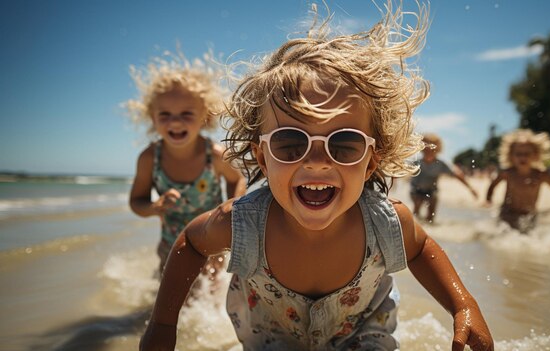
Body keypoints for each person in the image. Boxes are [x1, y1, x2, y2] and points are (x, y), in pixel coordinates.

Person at [139, 2, 493, 350]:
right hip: (269, 341)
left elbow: (420, 251)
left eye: (345, 144)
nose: (318, 161)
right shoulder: (241, 223)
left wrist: (464, 306)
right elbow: (191, 244)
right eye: (291, 143)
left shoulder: (385, 221)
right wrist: (163, 324)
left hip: (363, 339)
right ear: (262, 158)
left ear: (371, 161)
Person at [126, 50, 246, 274]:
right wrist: (154, 207)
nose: (175, 122)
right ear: (152, 117)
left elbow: (237, 178)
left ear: (205, 116)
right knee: (170, 293)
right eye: (165, 114)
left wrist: (231, 205)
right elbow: (136, 202)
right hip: (172, 244)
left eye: (186, 114)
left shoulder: (215, 155)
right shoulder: (150, 158)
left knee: (211, 290)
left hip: (212, 240)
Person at [410, 133, 478, 223]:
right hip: (416, 190)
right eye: (426, 148)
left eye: (432, 148)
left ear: (438, 149)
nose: (428, 150)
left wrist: (471, 188)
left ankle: (429, 226)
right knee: (416, 208)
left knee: (431, 213)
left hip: (432, 190)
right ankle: (415, 225)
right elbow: (400, 171)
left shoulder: (441, 164)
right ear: (421, 148)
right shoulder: (417, 162)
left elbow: (458, 174)